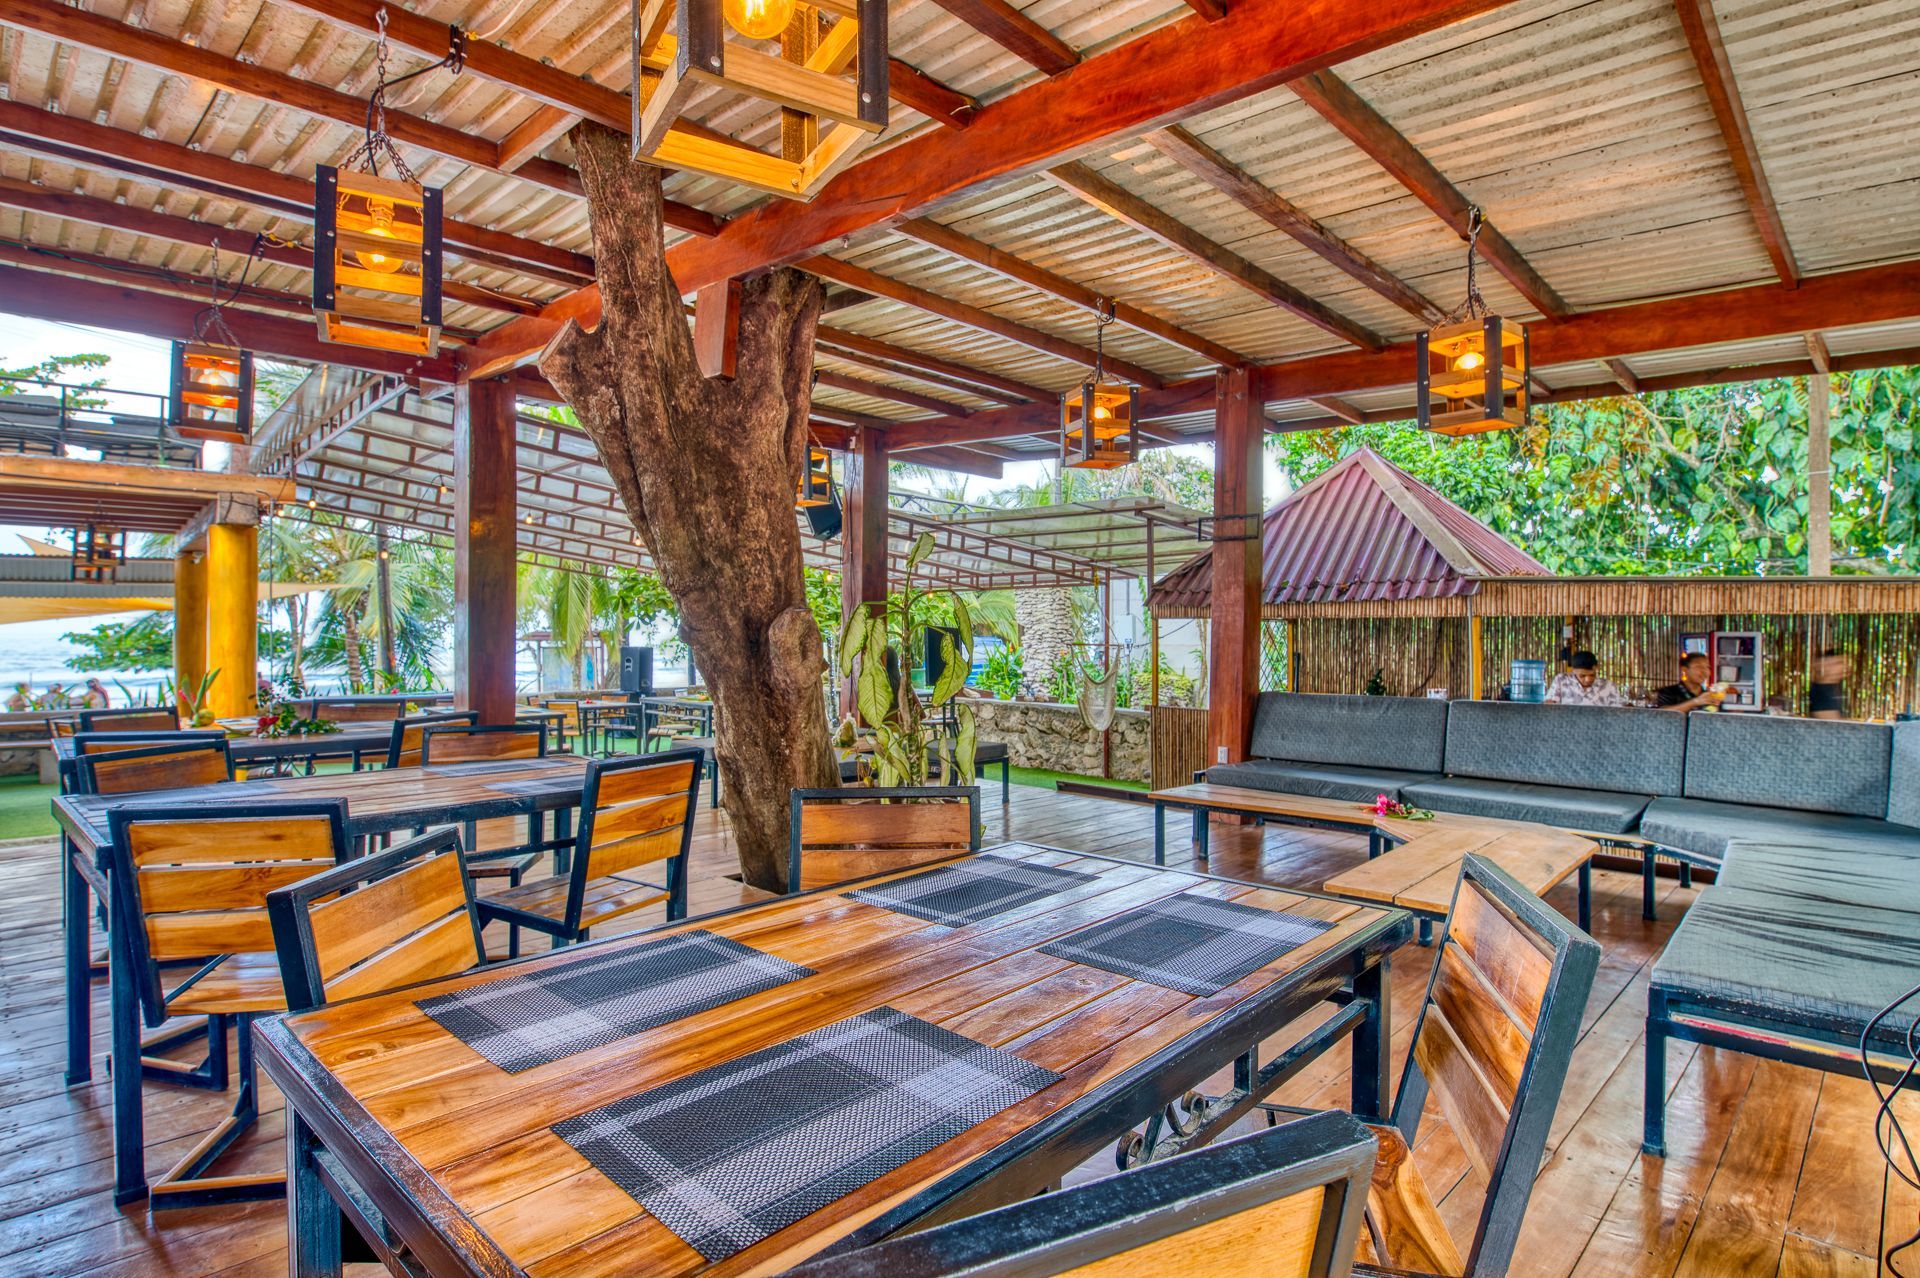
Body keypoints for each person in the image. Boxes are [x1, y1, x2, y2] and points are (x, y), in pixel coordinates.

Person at [1545, 651, 1624, 707]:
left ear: (1596, 668)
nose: (1588, 679)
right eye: (1582, 676)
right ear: (1573, 670)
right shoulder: (1561, 681)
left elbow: (1617, 710)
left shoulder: (1608, 686)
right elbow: (1551, 705)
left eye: (1592, 675)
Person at [1652, 653, 1726, 712]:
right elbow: (1662, 714)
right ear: (1684, 669)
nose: (1704, 671)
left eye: (1707, 667)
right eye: (1698, 667)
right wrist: (1695, 702)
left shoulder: (1708, 695)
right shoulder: (1667, 692)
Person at [1808, 649, 1849, 719]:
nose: (1844, 666)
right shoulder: (1820, 693)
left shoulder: (1835, 689)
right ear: (1824, 666)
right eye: (1838, 663)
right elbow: (1833, 724)